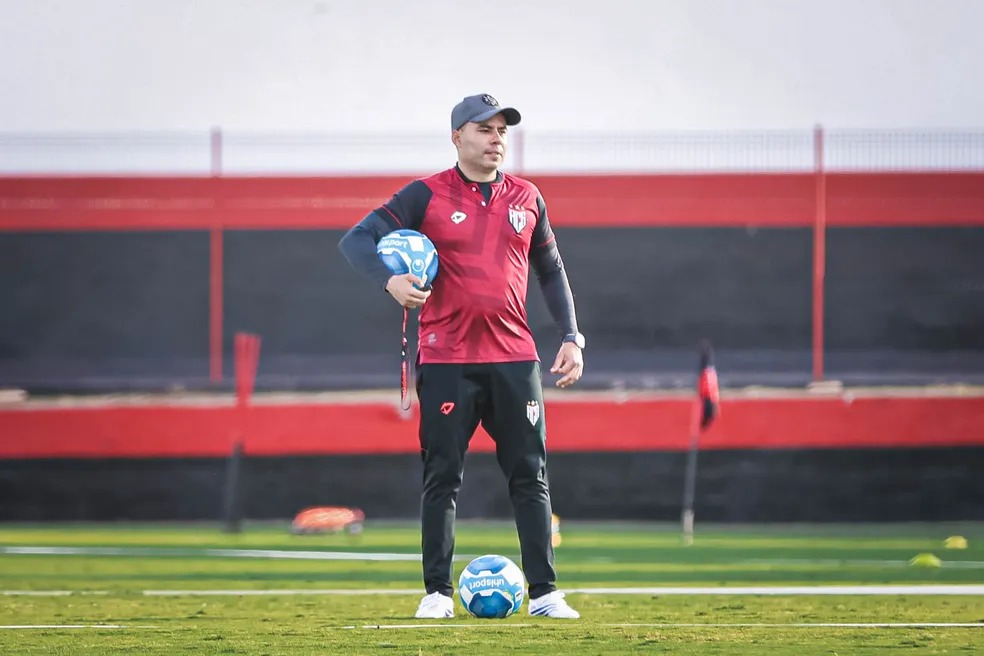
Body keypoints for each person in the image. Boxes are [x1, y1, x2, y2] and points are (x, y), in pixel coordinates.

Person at [338, 93, 586, 619]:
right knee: (442, 476)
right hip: (446, 357)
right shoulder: (424, 195)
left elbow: (551, 269)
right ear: (457, 137)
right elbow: (358, 240)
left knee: (530, 475)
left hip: (516, 360)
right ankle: (436, 594)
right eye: (484, 130)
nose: (497, 139)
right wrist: (391, 282)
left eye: (502, 131)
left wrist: (571, 335)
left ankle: (544, 594)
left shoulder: (528, 197)